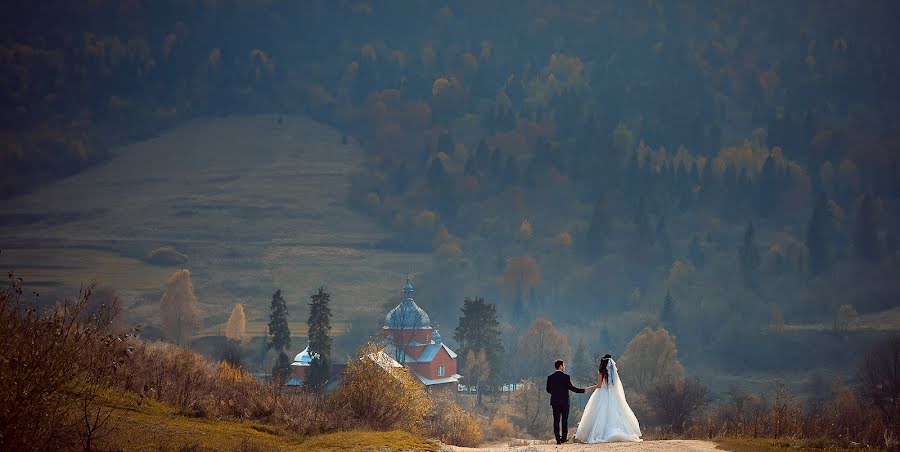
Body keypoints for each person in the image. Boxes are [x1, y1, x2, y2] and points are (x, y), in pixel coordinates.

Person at [573, 354, 642, 443]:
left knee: (598, 414)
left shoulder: (601, 371)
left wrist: (588, 388)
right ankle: (619, 432)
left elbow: (599, 385)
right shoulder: (613, 372)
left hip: (602, 393)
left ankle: (599, 434)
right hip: (612, 395)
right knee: (614, 414)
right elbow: (614, 385)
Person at [546, 359, 590, 444]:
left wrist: (555, 393)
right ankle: (564, 438)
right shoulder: (566, 377)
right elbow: (572, 388)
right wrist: (583, 390)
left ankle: (558, 439)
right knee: (564, 420)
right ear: (561, 366)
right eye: (564, 365)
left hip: (555, 401)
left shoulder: (550, 377)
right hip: (564, 402)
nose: (564, 367)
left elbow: (548, 390)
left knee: (556, 420)